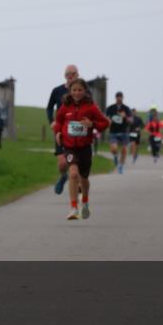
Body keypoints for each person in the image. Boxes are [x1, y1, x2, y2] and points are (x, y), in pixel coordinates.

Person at [53, 78, 110, 220]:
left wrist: (92, 124)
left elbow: (105, 123)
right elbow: (58, 121)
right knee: (73, 174)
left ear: (84, 91)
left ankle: (85, 202)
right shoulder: (65, 106)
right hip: (69, 147)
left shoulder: (91, 107)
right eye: (74, 90)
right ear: (70, 91)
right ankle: (73, 208)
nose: (77, 93)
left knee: (84, 179)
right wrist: (58, 132)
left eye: (79, 90)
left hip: (85, 147)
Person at [47, 64, 80, 194]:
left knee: (76, 161)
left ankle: (77, 182)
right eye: (68, 74)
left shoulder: (83, 91)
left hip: (77, 131)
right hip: (61, 130)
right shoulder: (57, 91)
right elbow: (49, 108)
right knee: (62, 164)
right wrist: (52, 121)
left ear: (78, 75)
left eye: (73, 74)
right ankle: (63, 176)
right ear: (64, 76)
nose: (70, 76)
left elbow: (91, 107)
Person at [104, 91, 133, 174]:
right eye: (117, 96)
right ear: (115, 98)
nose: (119, 98)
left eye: (120, 96)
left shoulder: (126, 108)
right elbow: (105, 119)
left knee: (124, 150)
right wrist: (108, 122)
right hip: (113, 132)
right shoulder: (110, 108)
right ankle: (115, 156)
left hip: (124, 132)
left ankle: (121, 165)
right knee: (114, 149)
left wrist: (125, 117)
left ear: (122, 98)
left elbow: (131, 121)